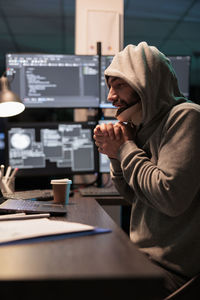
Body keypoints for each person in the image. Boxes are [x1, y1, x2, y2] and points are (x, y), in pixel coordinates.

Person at [93, 41, 200, 297]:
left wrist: (124, 149)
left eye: (120, 85)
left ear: (147, 82)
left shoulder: (186, 117)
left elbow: (170, 197)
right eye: (109, 86)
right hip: (144, 259)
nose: (110, 97)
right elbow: (135, 196)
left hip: (174, 273)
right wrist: (117, 156)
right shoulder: (141, 127)